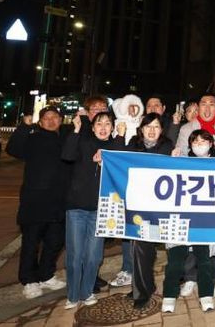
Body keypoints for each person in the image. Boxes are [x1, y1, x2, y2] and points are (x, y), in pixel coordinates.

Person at [6, 107, 70, 299]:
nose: (51, 120)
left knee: (54, 242)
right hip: (35, 201)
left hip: (59, 202)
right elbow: (13, 149)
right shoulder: (33, 138)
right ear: (40, 122)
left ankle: (46, 275)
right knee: (31, 243)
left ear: (61, 119)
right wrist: (24, 127)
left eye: (54, 117)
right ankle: (29, 280)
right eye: (46, 118)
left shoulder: (65, 138)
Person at [62, 110, 121, 310]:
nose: (103, 128)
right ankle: (72, 295)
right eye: (99, 124)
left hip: (100, 210)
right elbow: (67, 155)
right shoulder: (84, 142)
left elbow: (121, 170)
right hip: (76, 208)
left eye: (107, 124)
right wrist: (76, 130)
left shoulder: (115, 147)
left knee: (94, 256)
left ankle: (86, 292)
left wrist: (107, 161)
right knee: (75, 255)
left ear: (112, 128)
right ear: (93, 127)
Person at [175, 93, 215, 293]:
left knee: (214, 235)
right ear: (198, 107)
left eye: (212, 104)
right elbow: (181, 155)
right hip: (192, 189)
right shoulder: (186, 129)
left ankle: (210, 279)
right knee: (192, 232)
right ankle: (190, 277)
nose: (207, 108)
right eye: (203, 104)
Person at [162, 130, 215, 313]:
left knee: (204, 261)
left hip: (204, 221)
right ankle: (169, 296)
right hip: (180, 219)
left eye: (203, 141)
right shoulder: (181, 163)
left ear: (211, 144)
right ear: (190, 145)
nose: (199, 144)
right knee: (175, 261)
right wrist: (172, 161)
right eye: (195, 141)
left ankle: (206, 295)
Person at [124, 114, 175, 309]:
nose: (152, 130)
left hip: (163, 207)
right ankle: (142, 290)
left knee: (172, 247)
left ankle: (176, 283)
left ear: (162, 130)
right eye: (148, 126)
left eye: (156, 126)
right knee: (140, 248)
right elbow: (120, 163)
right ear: (141, 129)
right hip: (140, 206)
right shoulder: (133, 145)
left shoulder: (168, 147)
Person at [108, 93, 145, 289]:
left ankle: (141, 271)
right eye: (129, 107)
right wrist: (120, 134)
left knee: (142, 230)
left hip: (144, 187)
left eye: (135, 107)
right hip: (123, 185)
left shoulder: (143, 126)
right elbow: (116, 155)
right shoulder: (117, 126)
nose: (132, 110)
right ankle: (128, 269)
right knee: (127, 229)